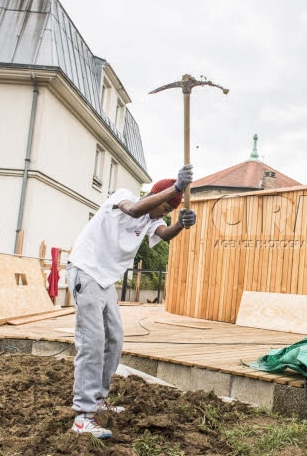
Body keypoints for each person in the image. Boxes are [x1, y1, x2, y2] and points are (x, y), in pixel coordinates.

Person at [67, 164, 196, 439]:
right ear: (158, 197)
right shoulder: (123, 197)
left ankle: (99, 399)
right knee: (92, 342)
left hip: (105, 281)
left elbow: (164, 234)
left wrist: (180, 225)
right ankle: (82, 417)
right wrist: (175, 189)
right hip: (86, 271)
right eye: (165, 208)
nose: (164, 213)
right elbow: (134, 209)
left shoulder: (152, 222)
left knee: (114, 340)